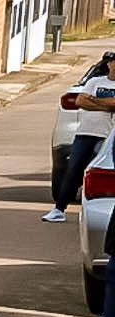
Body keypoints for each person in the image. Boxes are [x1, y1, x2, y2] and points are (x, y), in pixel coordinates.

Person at [45, 51, 115, 222]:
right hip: (85, 133)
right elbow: (80, 101)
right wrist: (106, 105)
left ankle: (102, 212)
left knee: (104, 174)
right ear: (109, 64)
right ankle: (59, 210)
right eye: (114, 62)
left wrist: (94, 101)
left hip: (109, 136)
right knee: (73, 171)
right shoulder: (94, 81)